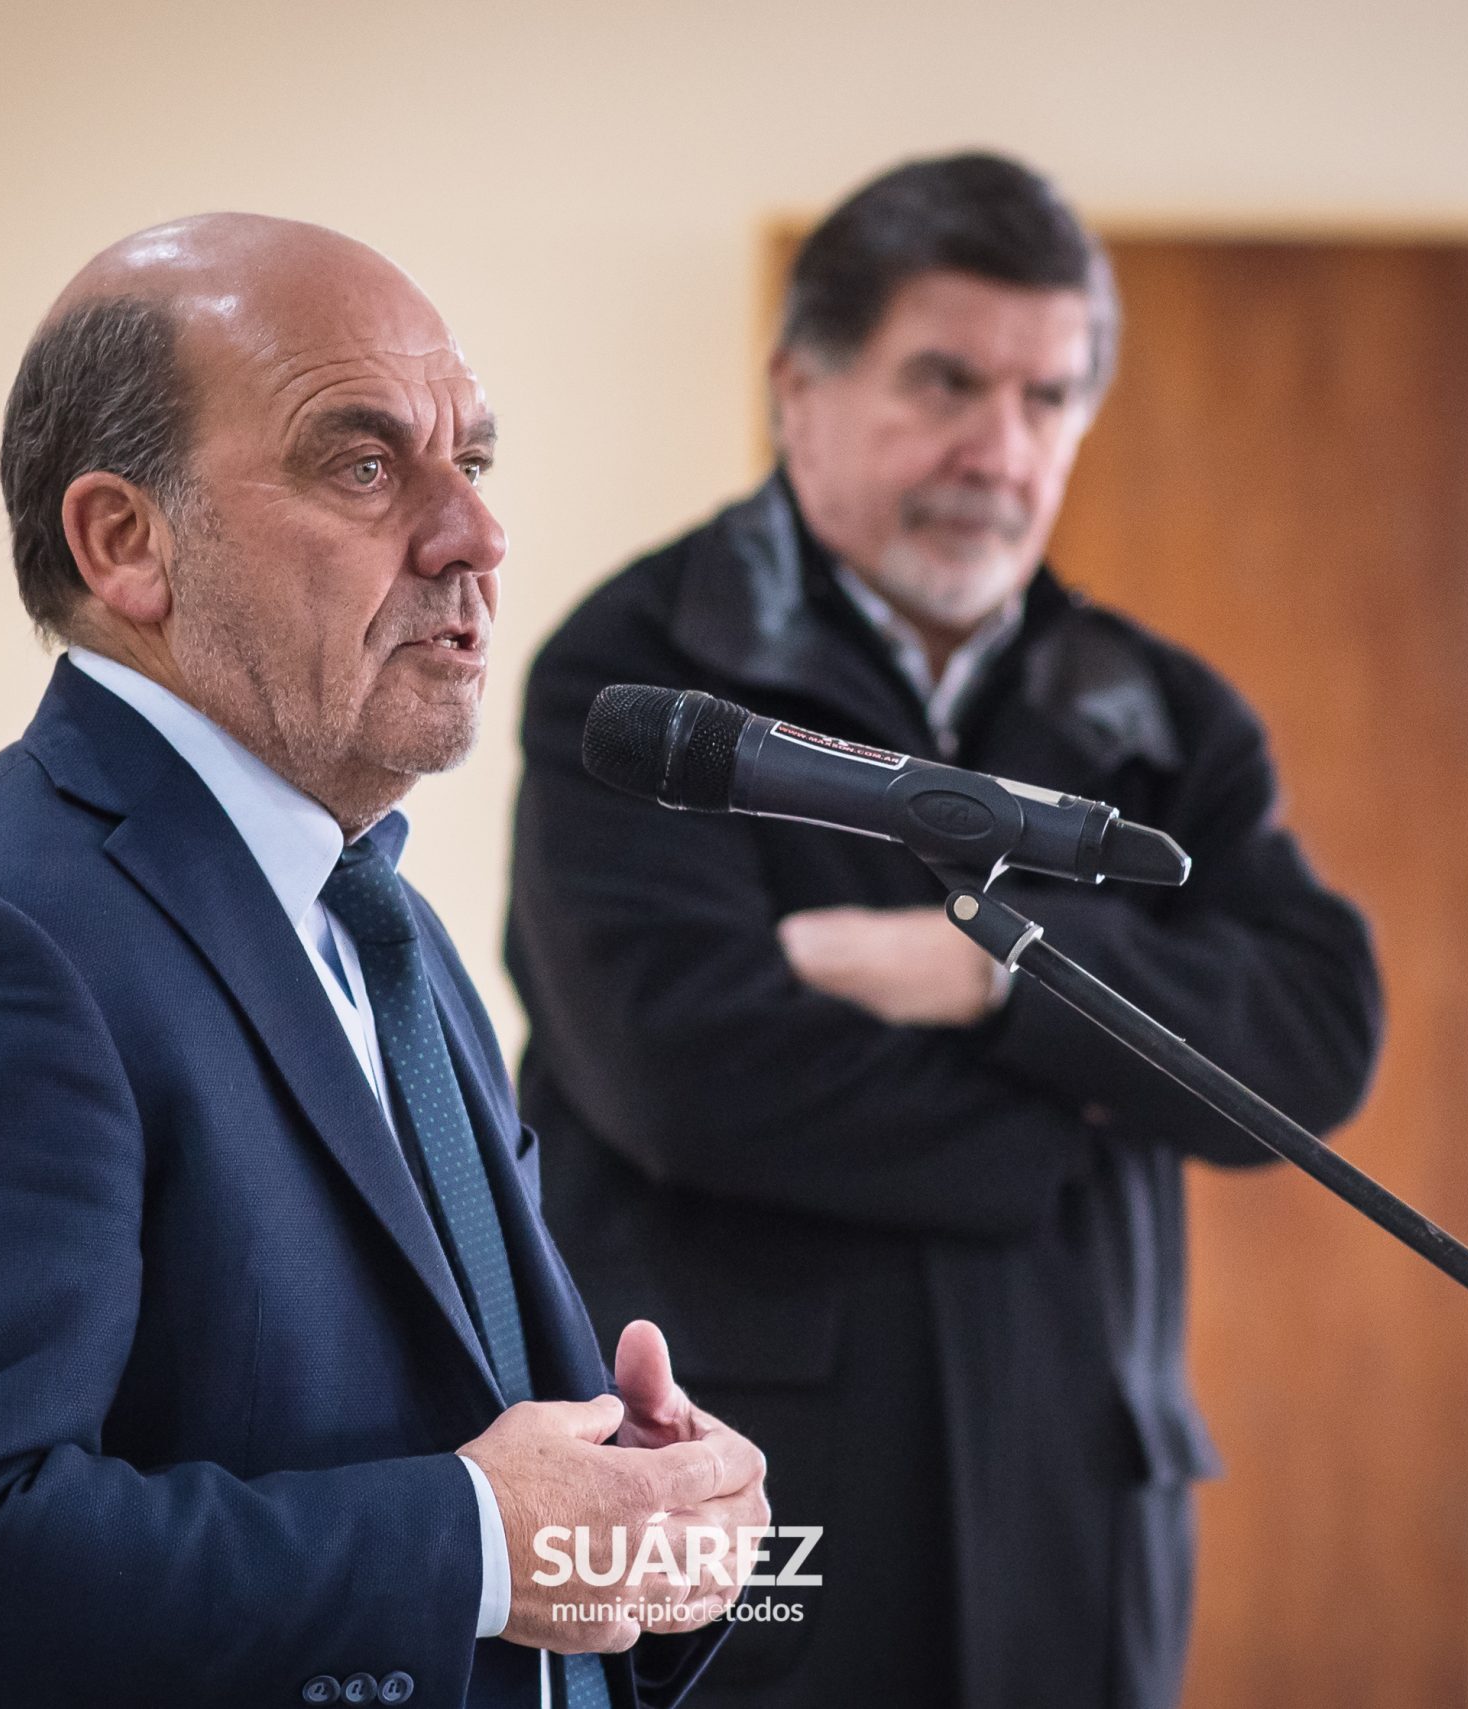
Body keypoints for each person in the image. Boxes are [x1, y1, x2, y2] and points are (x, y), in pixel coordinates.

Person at [0, 213, 768, 1709]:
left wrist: (640, 1522)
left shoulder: (382, 923)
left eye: (472, 464)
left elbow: (466, 1443)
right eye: (365, 466)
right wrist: (480, 1539)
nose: (474, 537)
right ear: (124, 542)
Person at [505, 154, 1384, 1709]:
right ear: (799, 387)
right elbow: (683, 1069)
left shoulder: (1160, 710)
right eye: (946, 382)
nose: (1003, 448)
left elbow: (1312, 1038)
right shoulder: (637, 675)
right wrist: (1084, 1120)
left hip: (1078, 1517)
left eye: (1049, 397)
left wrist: (989, 981)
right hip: (741, 1502)